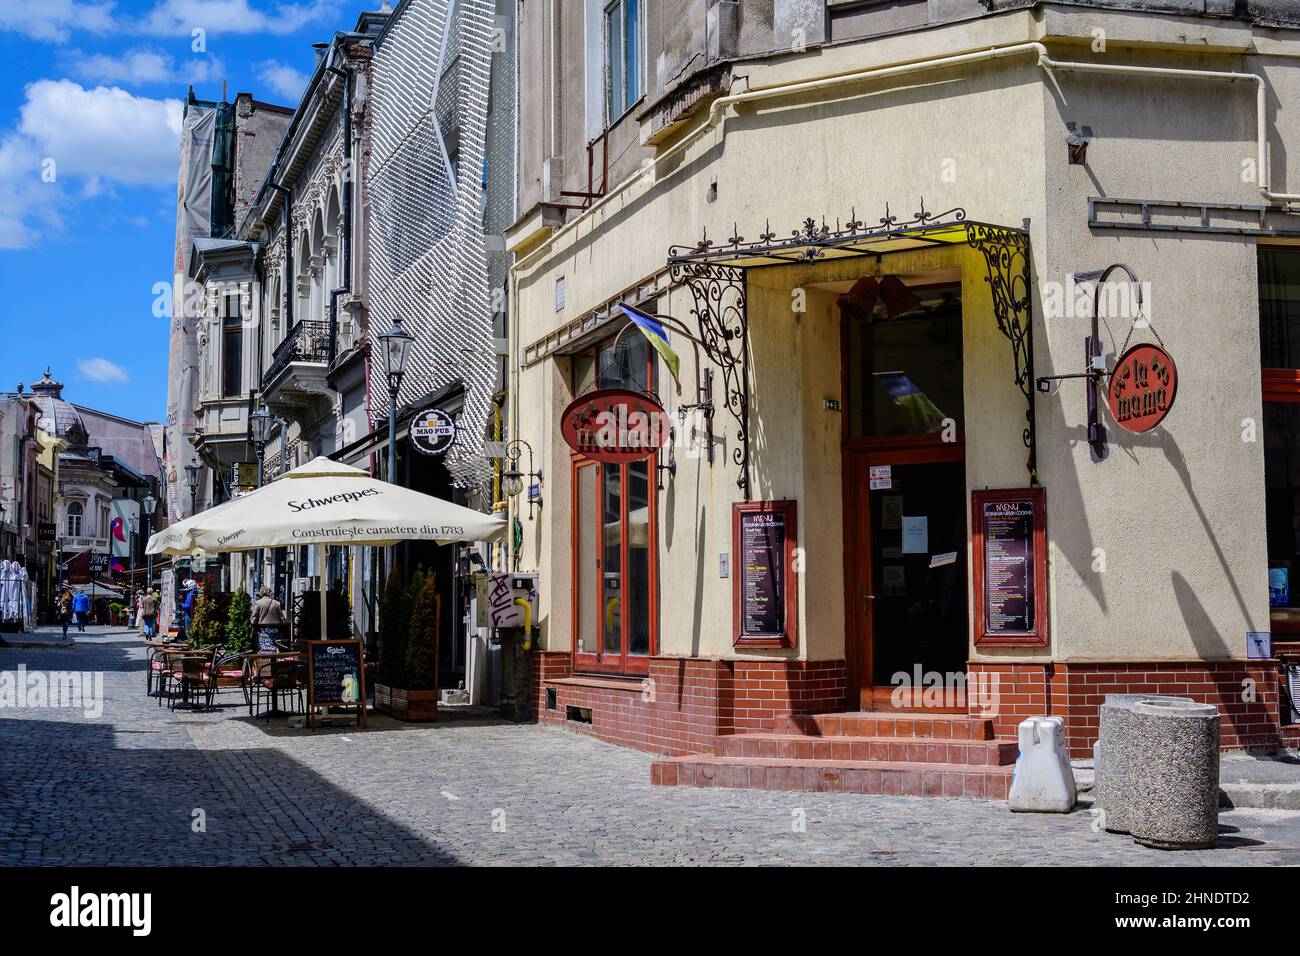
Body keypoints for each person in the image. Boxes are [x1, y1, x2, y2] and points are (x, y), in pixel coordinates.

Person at [250, 586, 287, 653]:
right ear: (269, 593)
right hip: (276, 629)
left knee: (264, 646)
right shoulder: (276, 603)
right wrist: (285, 625)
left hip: (263, 629)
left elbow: (254, 617)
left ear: (261, 593)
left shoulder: (258, 603)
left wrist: (252, 624)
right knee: (275, 645)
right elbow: (281, 617)